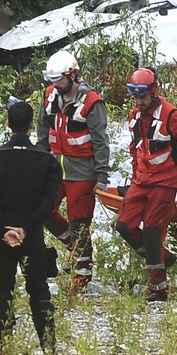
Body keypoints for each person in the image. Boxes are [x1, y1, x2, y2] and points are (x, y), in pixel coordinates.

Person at [115, 67, 177, 302]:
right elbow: (136, 149)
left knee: (153, 229)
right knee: (124, 225)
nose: (139, 101)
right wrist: (134, 178)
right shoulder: (135, 115)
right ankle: (163, 257)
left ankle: (158, 287)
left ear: (153, 92)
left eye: (142, 96)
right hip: (142, 179)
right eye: (135, 96)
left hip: (165, 181)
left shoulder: (169, 114)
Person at [0, 102, 63, 352]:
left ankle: (5, 346)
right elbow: (49, 202)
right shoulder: (47, 161)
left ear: (7, 123)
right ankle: (48, 346)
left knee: (3, 290)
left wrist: (6, 228)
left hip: (0, 237)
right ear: (30, 126)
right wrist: (25, 229)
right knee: (39, 291)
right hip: (33, 237)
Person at [36, 50, 112, 293]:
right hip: (54, 169)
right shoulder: (49, 97)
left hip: (82, 171)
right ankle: (75, 246)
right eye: (52, 81)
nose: (55, 85)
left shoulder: (92, 103)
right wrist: (39, 159)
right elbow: (42, 130)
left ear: (72, 75)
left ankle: (83, 271)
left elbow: (100, 141)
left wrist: (102, 176)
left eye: (58, 80)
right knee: (44, 210)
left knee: (80, 221)